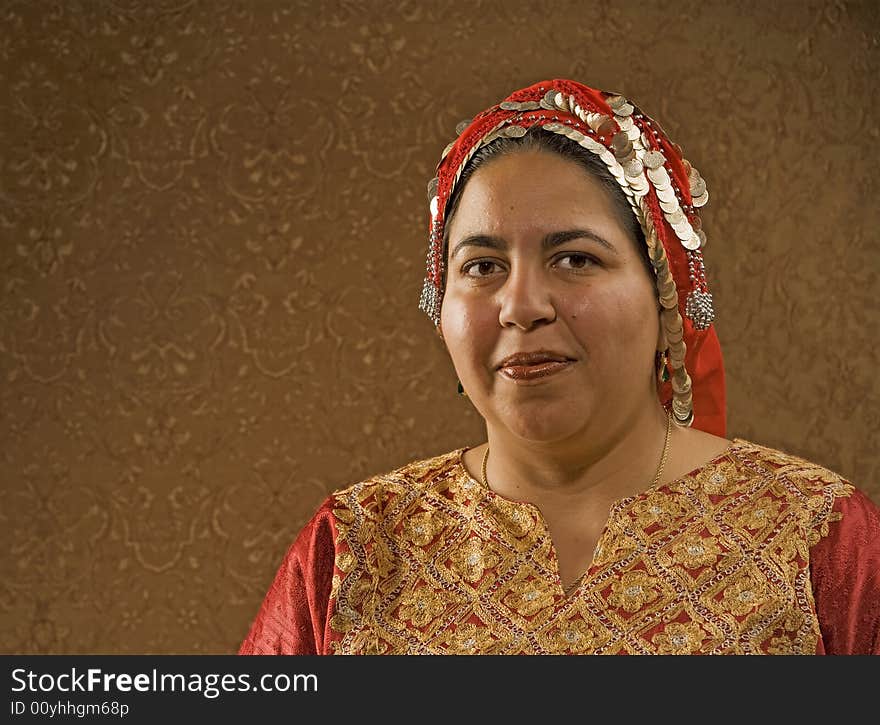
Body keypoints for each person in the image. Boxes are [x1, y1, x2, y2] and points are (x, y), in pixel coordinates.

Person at [238, 79, 880, 655]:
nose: (521, 307)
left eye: (574, 259)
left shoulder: (813, 534)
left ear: (665, 298)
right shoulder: (358, 549)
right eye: (483, 267)